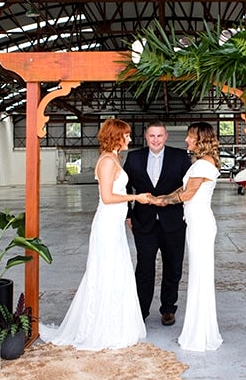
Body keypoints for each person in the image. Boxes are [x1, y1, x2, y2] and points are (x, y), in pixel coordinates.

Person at [40, 118, 150, 350]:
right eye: (126, 135)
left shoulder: (114, 158)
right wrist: (135, 198)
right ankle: (101, 327)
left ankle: (115, 323)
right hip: (108, 224)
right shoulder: (108, 161)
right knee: (107, 271)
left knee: (116, 270)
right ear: (116, 136)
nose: (130, 138)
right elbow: (108, 197)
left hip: (115, 224)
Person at [151, 122, 223, 352]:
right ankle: (200, 328)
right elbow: (181, 191)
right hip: (195, 223)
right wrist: (159, 197)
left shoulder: (203, 163)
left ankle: (200, 334)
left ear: (200, 139)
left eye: (190, 137)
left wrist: (155, 201)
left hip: (201, 224)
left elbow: (186, 194)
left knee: (201, 276)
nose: (186, 141)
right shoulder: (201, 163)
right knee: (199, 276)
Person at [123, 120, 191, 326]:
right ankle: (141, 311)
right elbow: (125, 188)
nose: (156, 140)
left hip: (174, 223)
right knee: (144, 268)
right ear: (146, 136)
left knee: (173, 267)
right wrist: (128, 215)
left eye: (159, 136)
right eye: (152, 136)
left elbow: (188, 188)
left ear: (166, 136)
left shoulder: (180, 157)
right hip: (143, 223)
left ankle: (168, 309)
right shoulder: (134, 158)